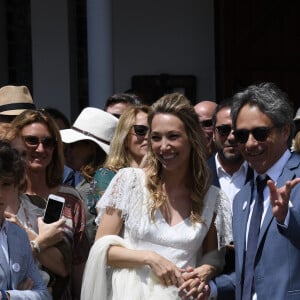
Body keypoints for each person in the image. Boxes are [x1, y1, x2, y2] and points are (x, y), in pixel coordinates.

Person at [81, 93, 231, 299]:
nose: (163, 146)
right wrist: (149, 258)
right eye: (156, 137)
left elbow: (213, 255)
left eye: (173, 136)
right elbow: (102, 249)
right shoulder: (129, 181)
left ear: (192, 138)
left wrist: (206, 270)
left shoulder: (212, 198)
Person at [215, 82, 300, 300]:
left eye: (260, 133)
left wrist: (287, 220)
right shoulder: (242, 197)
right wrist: (212, 289)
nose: (250, 144)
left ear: (285, 131)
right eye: (242, 135)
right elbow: (253, 273)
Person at [5, 109, 90, 300]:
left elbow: (75, 265)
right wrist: (40, 241)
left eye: (48, 142)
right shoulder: (6, 198)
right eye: (32, 141)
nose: (41, 149)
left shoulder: (70, 199)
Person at [208, 98, 252, 298]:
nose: (232, 137)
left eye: (238, 131)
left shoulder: (263, 174)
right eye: (224, 130)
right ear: (214, 132)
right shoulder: (197, 175)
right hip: (206, 284)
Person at [0, 140, 51, 300]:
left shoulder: (19, 235)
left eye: (5, 184)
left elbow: (43, 295)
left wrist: (8, 296)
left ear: (16, 185)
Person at [60, 107, 118, 244]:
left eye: (73, 144)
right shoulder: (110, 179)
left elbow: (88, 237)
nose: (67, 150)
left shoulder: (92, 186)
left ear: (92, 148)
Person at [90, 104, 150, 216]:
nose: (148, 136)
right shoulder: (107, 175)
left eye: (154, 132)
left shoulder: (164, 174)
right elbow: (105, 219)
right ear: (125, 136)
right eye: (141, 130)